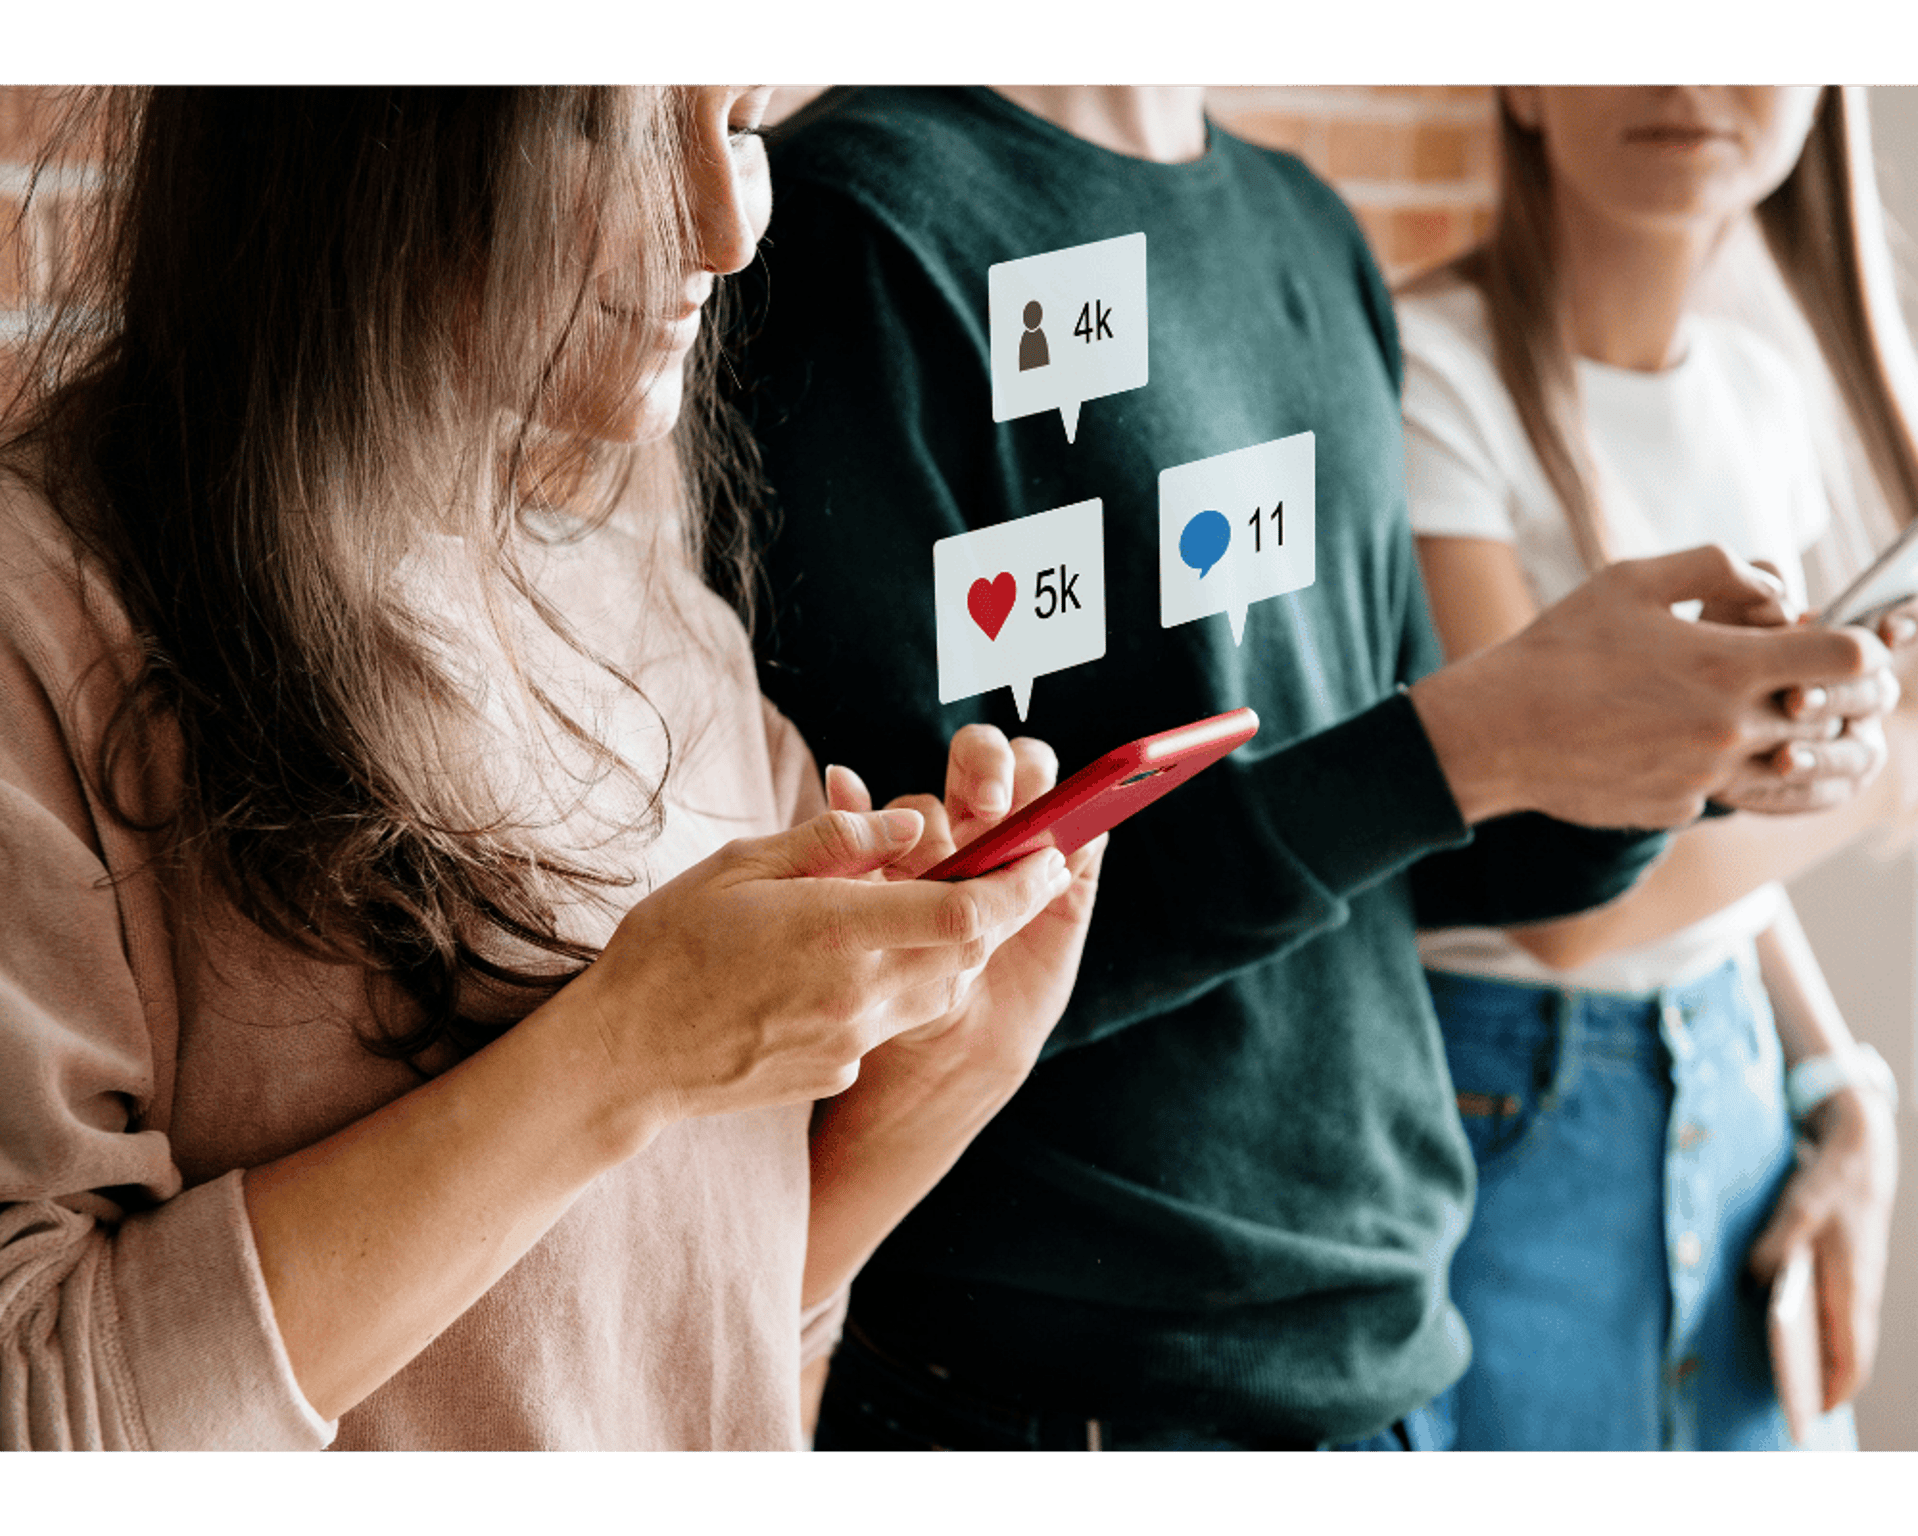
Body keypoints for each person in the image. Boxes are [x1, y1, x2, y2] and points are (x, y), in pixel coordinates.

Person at [737, 84, 1901, 1453]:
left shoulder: (1307, 229)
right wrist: (1473, 742)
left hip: (1383, 1357)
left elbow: (1413, 831)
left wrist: (1665, 758)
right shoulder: (861, 221)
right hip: (1065, 1401)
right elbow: (908, 956)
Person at [0, 84, 1107, 1453]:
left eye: (743, 121)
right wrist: (625, 1050)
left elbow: (696, 1351)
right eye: (620, 122)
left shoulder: (664, 617)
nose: (725, 230)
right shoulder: (41, 619)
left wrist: (938, 1090)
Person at [1399, 84, 1908, 1451]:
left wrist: (1843, 1088)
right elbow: (1564, 903)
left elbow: (1715, 852)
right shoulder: (1426, 371)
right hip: (1501, 1101)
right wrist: (1885, 765)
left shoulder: (1762, 393)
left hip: (1736, 1073)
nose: (1684, 68)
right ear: (1520, 75)